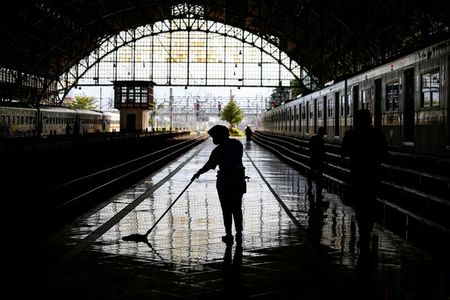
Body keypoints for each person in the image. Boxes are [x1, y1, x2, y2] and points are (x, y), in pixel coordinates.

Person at [191, 125, 246, 246]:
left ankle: (228, 234)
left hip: (225, 181)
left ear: (220, 136)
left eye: (214, 136)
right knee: (237, 208)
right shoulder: (237, 144)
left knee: (226, 209)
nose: (213, 139)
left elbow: (210, 165)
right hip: (239, 179)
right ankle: (239, 233)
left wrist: (198, 173)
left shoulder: (218, 150)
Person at [341, 109, 387, 251]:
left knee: (359, 204)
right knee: (371, 201)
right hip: (373, 174)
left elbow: (343, 152)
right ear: (370, 119)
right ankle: (368, 229)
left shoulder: (351, 134)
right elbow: (384, 153)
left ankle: (363, 232)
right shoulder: (377, 134)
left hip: (357, 174)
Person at [307, 127, 326, 198]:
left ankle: (310, 184)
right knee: (319, 173)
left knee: (312, 171)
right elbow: (323, 151)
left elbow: (310, 148)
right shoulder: (321, 140)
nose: (323, 135)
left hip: (313, 158)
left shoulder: (313, 138)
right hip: (319, 159)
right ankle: (318, 190)